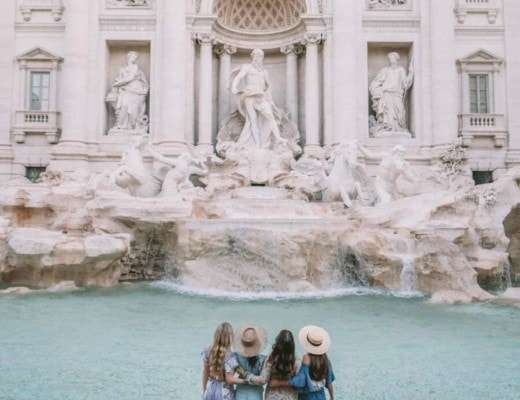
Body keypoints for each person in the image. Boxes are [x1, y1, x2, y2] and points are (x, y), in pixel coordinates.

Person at [230, 49, 287, 150]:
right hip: (249, 95)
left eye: (260, 56)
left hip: (261, 96)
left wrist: (268, 96)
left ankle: (278, 138)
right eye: (255, 56)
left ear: (262, 58)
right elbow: (238, 78)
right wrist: (234, 87)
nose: (257, 58)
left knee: (270, 116)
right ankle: (257, 144)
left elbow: (268, 85)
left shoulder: (264, 72)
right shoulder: (247, 67)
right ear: (252, 57)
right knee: (252, 120)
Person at [369, 52, 413, 134]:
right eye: (389, 59)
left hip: (397, 94)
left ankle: (400, 128)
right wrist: (377, 90)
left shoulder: (401, 70)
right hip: (387, 94)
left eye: (392, 58)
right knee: (388, 113)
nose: (391, 60)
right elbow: (376, 82)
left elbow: (405, 83)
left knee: (400, 112)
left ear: (396, 59)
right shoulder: (385, 70)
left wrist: (410, 73)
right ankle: (387, 128)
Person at [202, 322, 247, 400]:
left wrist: (204, 391)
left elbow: (205, 373)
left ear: (216, 335)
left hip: (209, 389)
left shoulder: (207, 350)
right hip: (225, 392)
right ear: (230, 337)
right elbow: (229, 379)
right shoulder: (230, 355)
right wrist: (247, 381)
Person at [288, 325, 335, 400]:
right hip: (320, 395)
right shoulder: (326, 361)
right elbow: (329, 383)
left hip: (307, 396)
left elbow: (301, 379)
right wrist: (332, 397)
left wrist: (288, 380)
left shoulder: (306, 358)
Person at [252, 329, 301, 400]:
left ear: (278, 342)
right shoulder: (296, 360)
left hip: (272, 397)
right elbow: (300, 383)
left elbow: (262, 380)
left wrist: (246, 375)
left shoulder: (271, 358)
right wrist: (283, 383)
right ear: (292, 344)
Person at [109, 51, 149, 130]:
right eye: (132, 57)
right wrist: (117, 84)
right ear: (128, 57)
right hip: (125, 90)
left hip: (135, 90)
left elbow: (130, 78)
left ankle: (131, 126)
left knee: (132, 106)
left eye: (135, 58)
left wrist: (118, 83)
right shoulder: (122, 70)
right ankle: (121, 125)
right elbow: (119, 79)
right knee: (124, 105)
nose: (134, 59)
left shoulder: (135, 67)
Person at [233, 324, 268, 400]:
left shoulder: (236, 356)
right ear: (258, 342)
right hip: (256, 393)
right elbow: (262, 380)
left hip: (240, 392)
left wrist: (243, 373)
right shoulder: (263, 358)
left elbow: (229, 376)